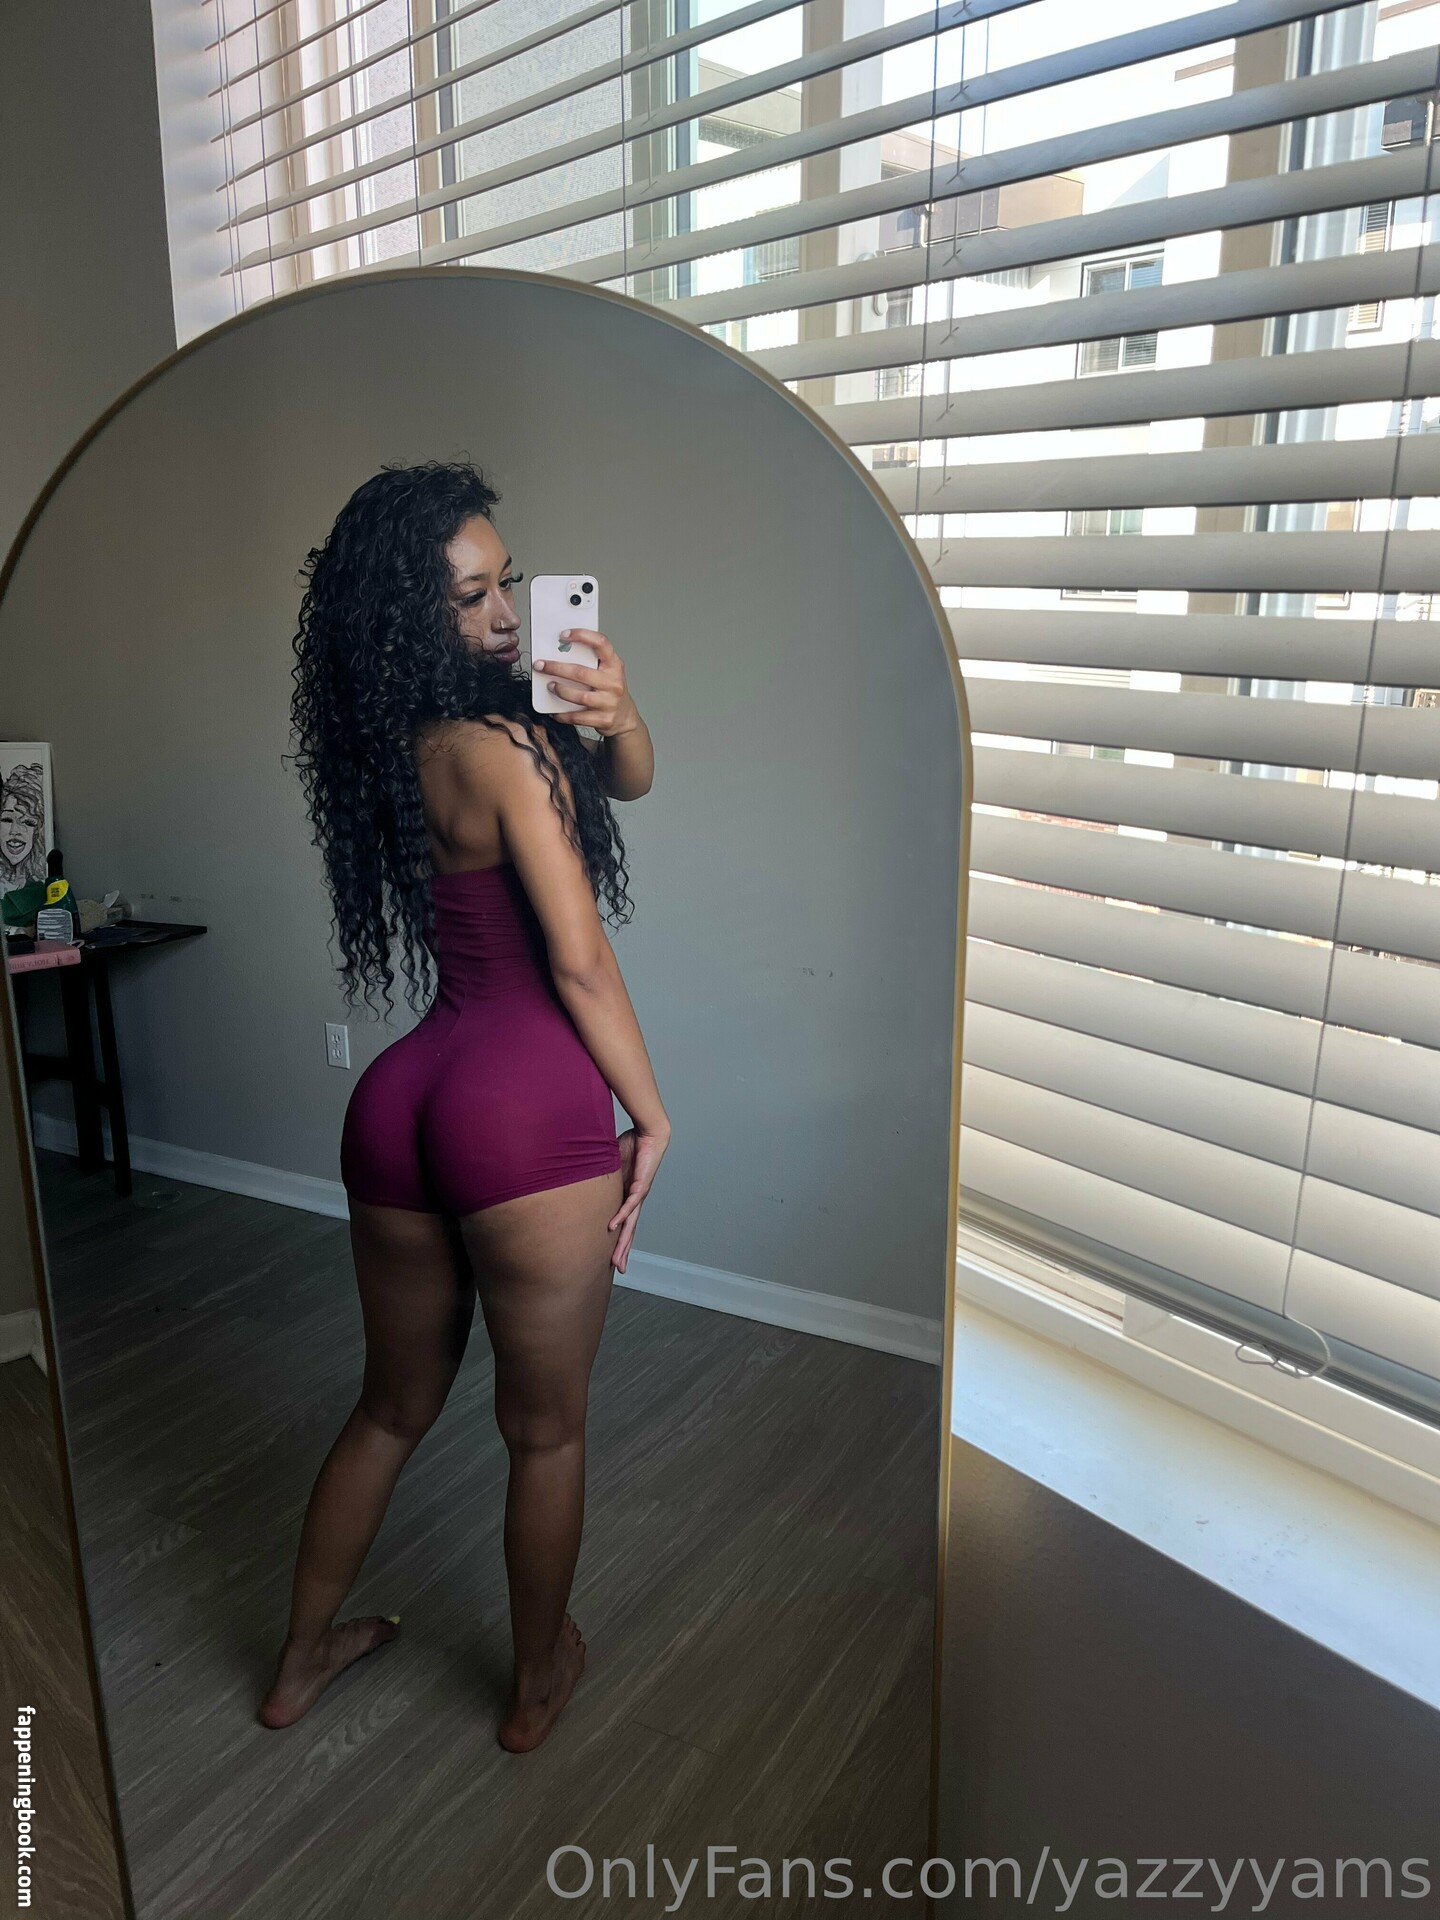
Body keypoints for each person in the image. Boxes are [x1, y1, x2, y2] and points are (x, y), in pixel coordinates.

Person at [260, 459, 669, 1753]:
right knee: (544, 1434)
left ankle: (298, 1661)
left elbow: (627, 780)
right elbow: (579, 964)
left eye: (506, 586)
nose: (501, 619)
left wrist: (620, 713)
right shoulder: (507, 750)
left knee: (390, 1406)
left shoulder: (410, 746)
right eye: (469, 598)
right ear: (406, 617)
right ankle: (537, 1682)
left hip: (405, 1095)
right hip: (521, 1109)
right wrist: (652, 1115)